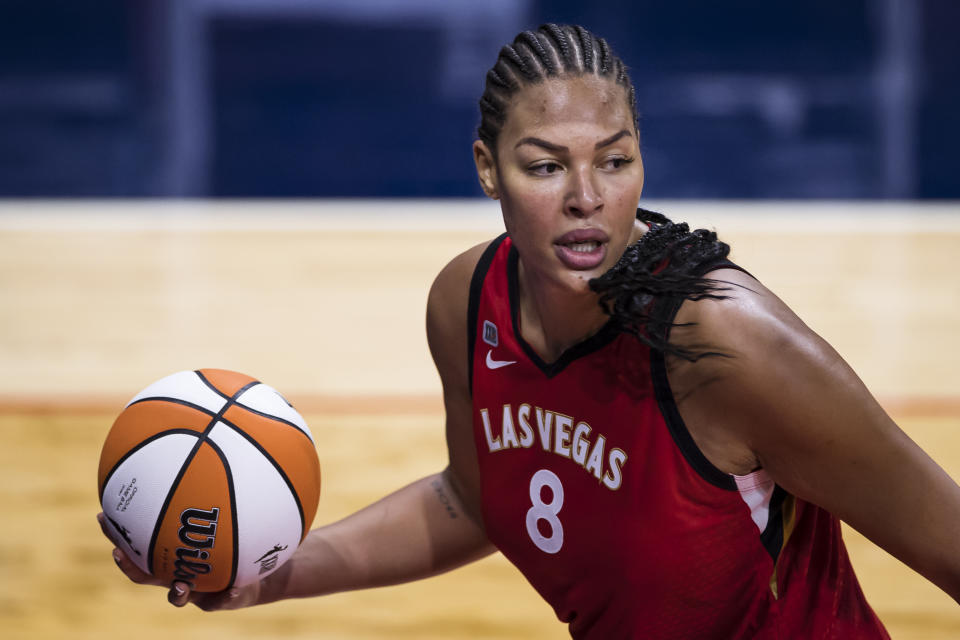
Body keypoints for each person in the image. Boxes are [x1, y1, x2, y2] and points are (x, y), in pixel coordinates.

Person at [99, 23, 960, 638]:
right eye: (546, 166)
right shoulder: (466, 304)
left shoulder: (732, 348)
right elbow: (474, 501)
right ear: (487, 169)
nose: (586, 196)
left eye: (614, 161)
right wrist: (261, 577)